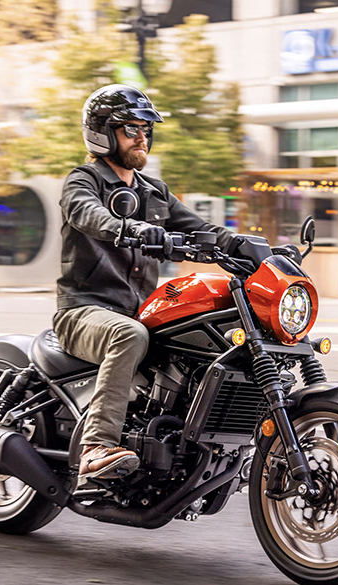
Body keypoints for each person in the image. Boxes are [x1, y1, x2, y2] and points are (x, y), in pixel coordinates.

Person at [54, 84, 239, 486]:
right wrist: (134, 229)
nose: (142, 137)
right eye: (131, 129)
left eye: (146, 129)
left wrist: (248, 246)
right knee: (128, 335)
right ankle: (96, 448)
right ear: (103, 133)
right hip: (85, 312)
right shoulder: (82, 182)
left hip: (142, 311)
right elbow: (91, 217)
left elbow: (202, 230)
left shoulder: (154, 192)